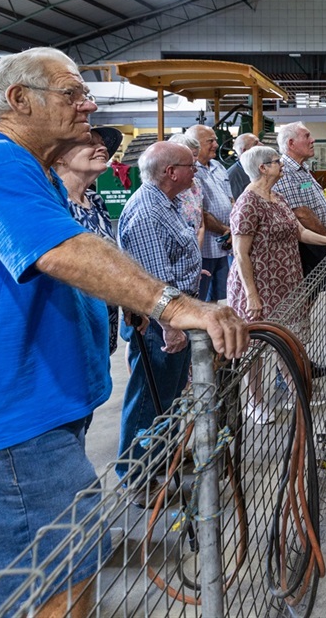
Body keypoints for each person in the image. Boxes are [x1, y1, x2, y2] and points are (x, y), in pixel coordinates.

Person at [0, 47, 247, 617]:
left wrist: (124, 300)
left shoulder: (24, 173)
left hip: (30, 424)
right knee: (53, 594)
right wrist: (170, 303)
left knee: (72, 573)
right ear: (18, 101)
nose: (88, 104)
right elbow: (63, 251)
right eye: (72, 93)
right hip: (7, 432)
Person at [228, 146, 326, 422]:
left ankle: (297, 389)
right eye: (276, 162)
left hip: (286, 282)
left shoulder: (277, 196)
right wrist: (252, 295)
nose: (280, 165)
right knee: (255, 348)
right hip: (259, 286)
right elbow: (240, 252)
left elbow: (301, 232)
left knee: (290, 340)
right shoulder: (248, 203)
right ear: (262, 168)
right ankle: (255, 402)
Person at [116, 141, 205, 497]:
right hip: (159, 324)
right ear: (171, 172)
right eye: (190, 165)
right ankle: (137, 477)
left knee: (167, 397)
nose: (195, 170)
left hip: (175, 315)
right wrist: (171, 326)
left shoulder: (164, 203)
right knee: (148, 400)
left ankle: (161, 456)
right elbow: (155, 281)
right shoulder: (147, 212)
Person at [53, 126, 123, 357]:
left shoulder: (95, 200)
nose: (101, 148)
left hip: (103, 325)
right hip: (71, 330)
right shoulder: (54, 204)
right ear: (60, 156)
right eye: (90, 143)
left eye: (102, 144)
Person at [273, 121, 326, 279]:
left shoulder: (303, 169)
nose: (313, 140)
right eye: (307, 136)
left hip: (318, 241)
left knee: (316, 294)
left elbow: (319, 200)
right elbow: (300, 213)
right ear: (291, 143)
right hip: (305, 246)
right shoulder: (285, 171)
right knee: (306, 295)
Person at [188, 124, 233, 302]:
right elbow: (199, 211)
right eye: (210, 141)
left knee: (221, 298)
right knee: (201, 300)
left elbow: (230, 199)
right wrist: (224, 229)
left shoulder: (218, 167)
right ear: (196, 144)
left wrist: (232, 228)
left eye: (215, 140)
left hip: (224, 246)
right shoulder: (192, 171)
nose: (216, 144)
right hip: (205, 247)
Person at [168, 132, 206, 247]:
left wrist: (197, 252)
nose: (196, 159)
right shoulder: (169, 188)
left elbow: (201, 223)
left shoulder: (195, 183)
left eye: (196, 154)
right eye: (193, 154)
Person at [227, 132, 261, 199]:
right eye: (256, 144)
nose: (261, 145)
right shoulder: (233, 176)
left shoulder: (258, 168)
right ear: (245, 151)